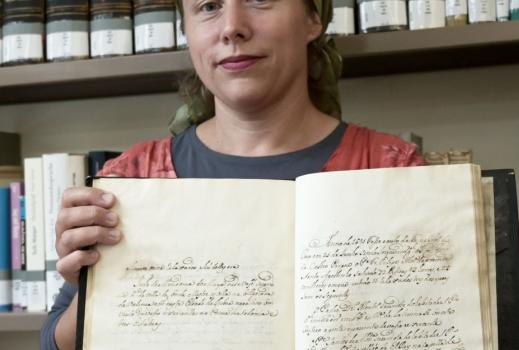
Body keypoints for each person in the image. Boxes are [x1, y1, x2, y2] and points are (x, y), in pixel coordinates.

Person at [40, 0, 424, 348]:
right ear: (186, 32)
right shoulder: (130, 180)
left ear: (312, 19)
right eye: (209, 6)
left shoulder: (395, 169)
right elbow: (55, 343)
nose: (232, 27)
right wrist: (94, 291)